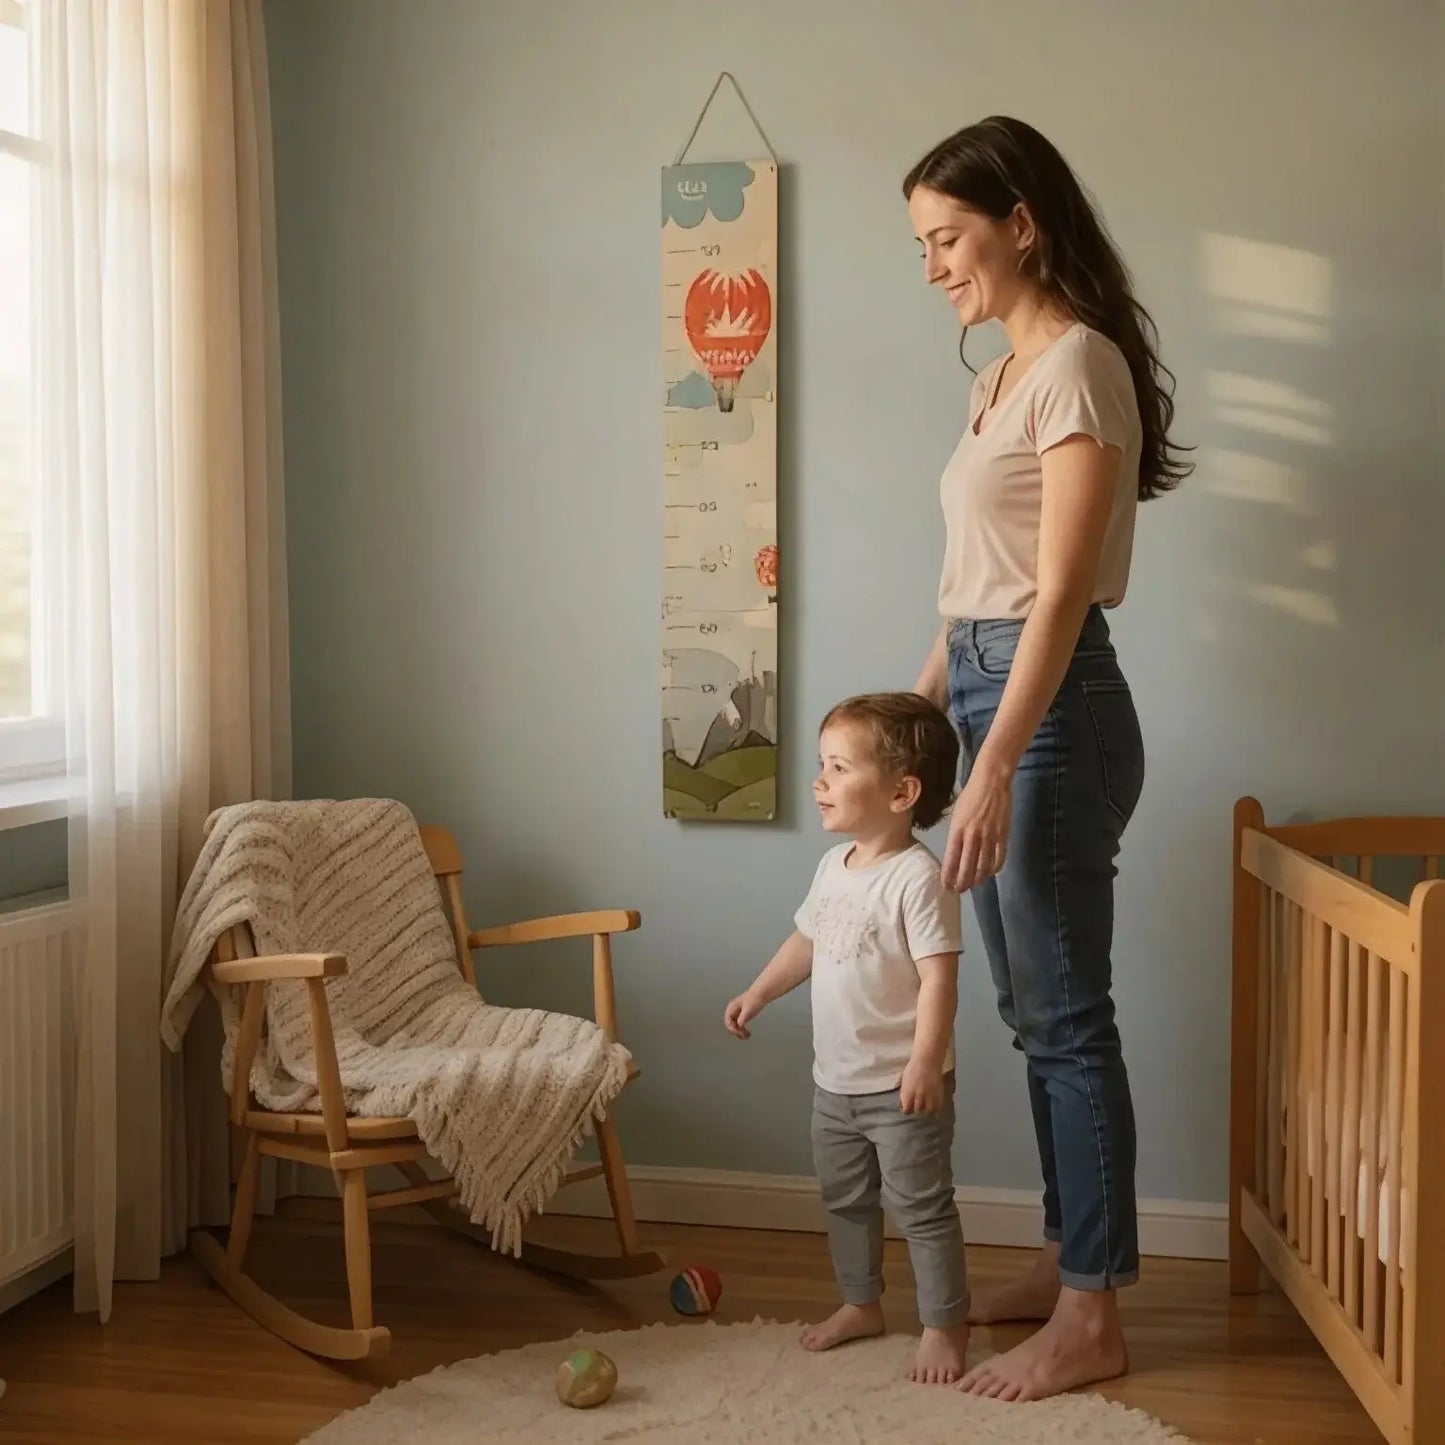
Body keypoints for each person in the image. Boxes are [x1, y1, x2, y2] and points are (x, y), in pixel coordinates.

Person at [902, 116, 1192, 1403]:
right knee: (1028, 1013)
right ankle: (1063, 1257)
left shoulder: (1075, 367)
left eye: (947, 238)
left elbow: (1060, 589)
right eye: (921, 244)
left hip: (1051, 710)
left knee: (1066, 1014)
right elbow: (976, 583)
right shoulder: (1000, 377)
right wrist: (921, 718)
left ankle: (1093, 1312)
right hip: (988, 691)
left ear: (1020, 220)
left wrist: (991, 760)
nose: (931, 268)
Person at [724, 692, 971, 1385]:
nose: (819, 781)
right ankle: (861, 1302)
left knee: (921, 1208)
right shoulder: (834, 867)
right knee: (845, 1200)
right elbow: (807, 939)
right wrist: (759, 991)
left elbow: (939, 980)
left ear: (901, 791)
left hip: (900, 1086)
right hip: (832, 1082)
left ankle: (943, 1326)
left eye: (837, 766)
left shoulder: (919, 879)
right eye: (821, 764)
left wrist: (925, 1061)